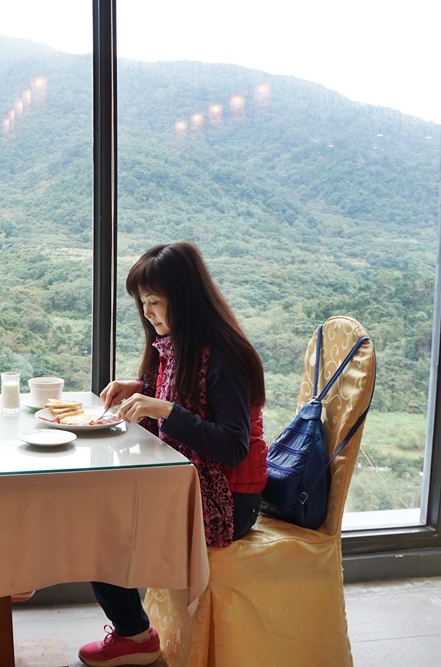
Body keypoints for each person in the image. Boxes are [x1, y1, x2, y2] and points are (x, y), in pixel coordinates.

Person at [78, 241, 267, 667]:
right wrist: (141, 390)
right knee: (97, 514)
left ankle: (135, 637)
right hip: (189, 486)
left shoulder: (225, 357)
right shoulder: (175, 347)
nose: (146, 313)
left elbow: (234, 447)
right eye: (142, 303)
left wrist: (165, 409)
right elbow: (187, 402)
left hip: (230, 503)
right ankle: (136, 632)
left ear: (183, 299)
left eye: (153, 302)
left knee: (100, 532)